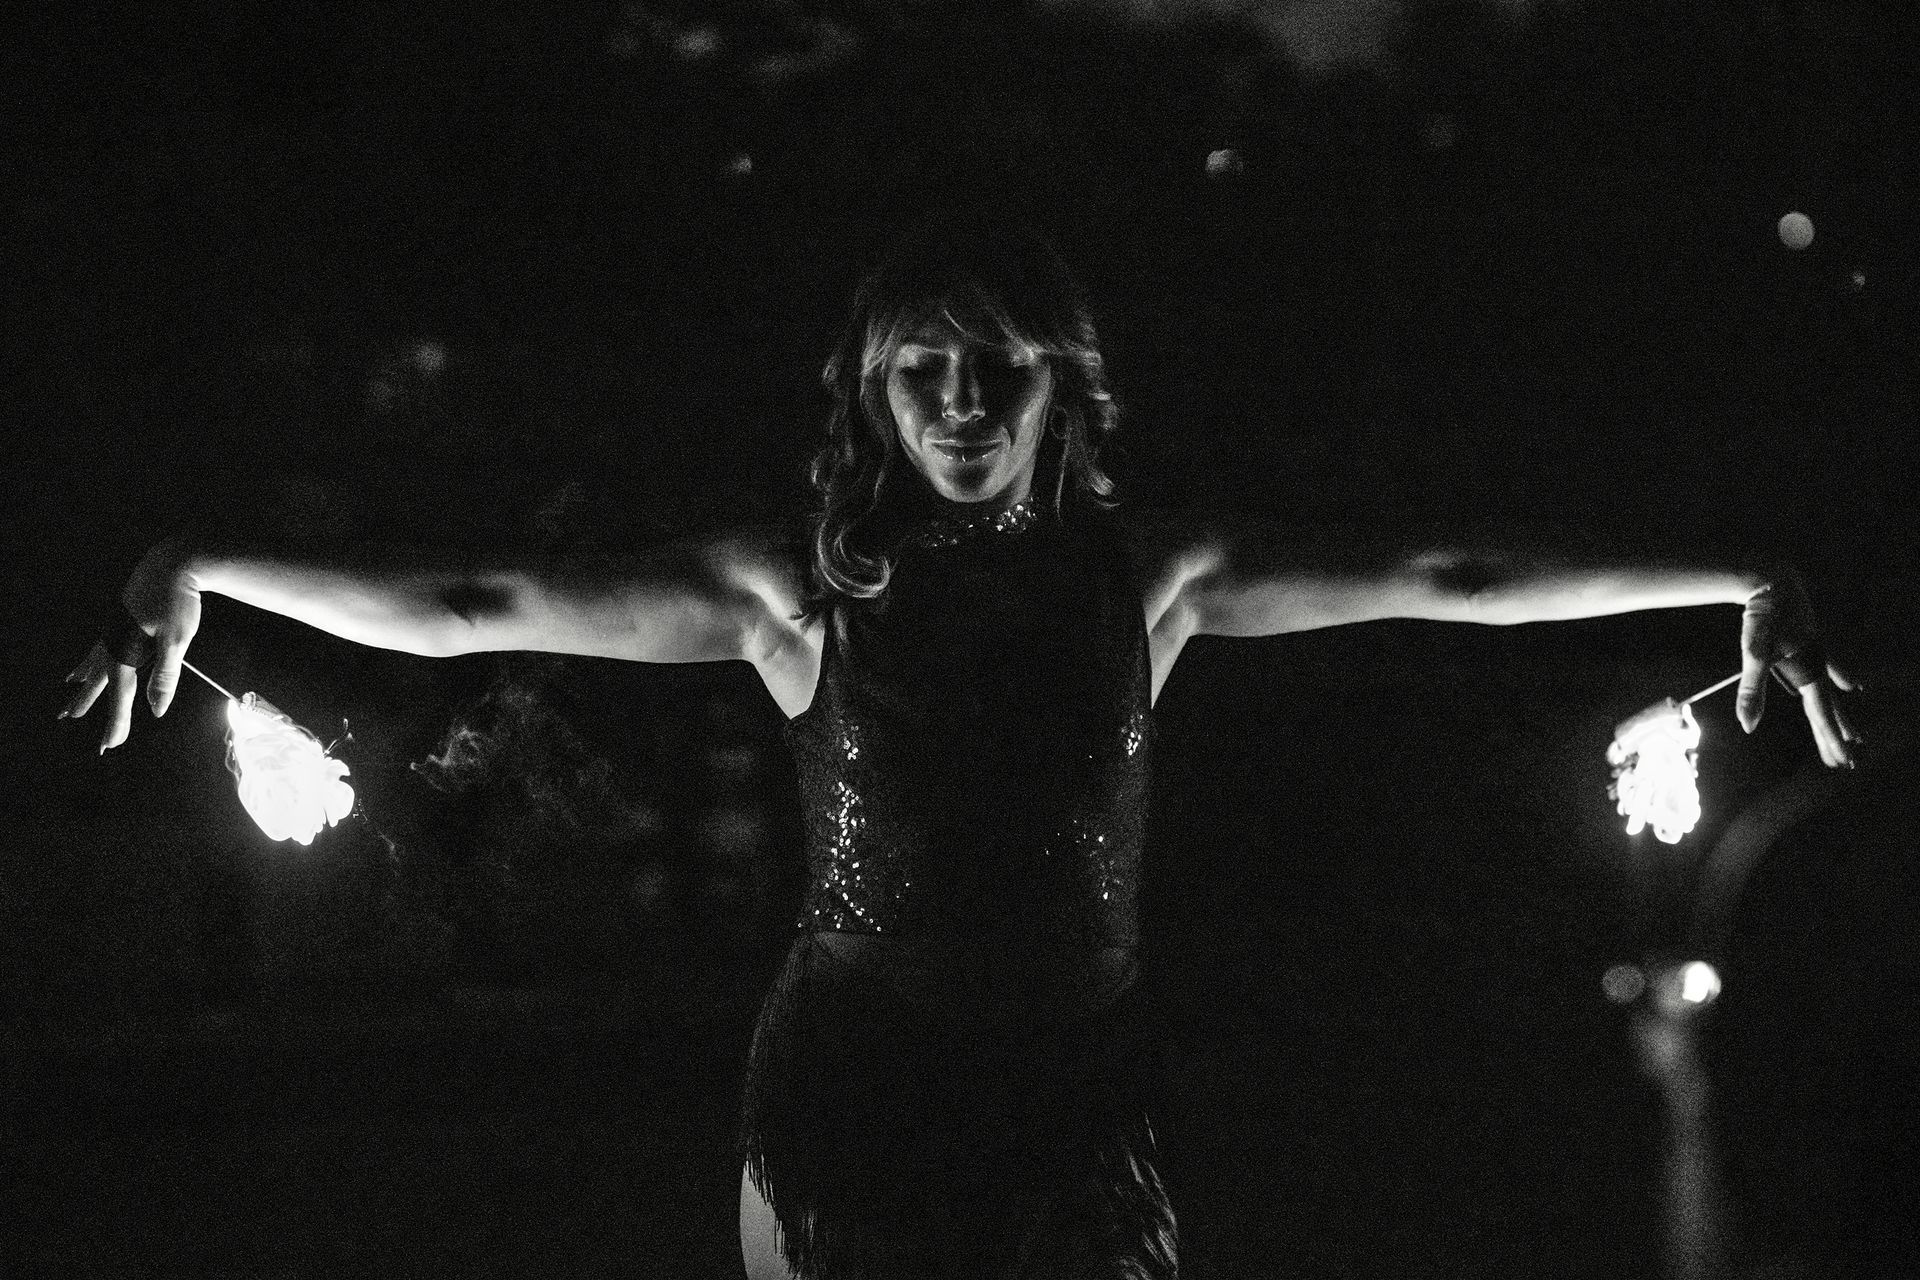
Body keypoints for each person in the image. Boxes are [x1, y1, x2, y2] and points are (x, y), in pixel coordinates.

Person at [61, 212, 1862, 1279]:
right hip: (849, 1099)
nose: (961, 402)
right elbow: (478, 600)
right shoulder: (804, 594)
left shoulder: (1144, 577)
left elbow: (1445, 570)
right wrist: (202, 567)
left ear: (1059, 384)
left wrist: (1734, 580)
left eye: (996, 363)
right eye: (922, 368)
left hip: (1083, 1095)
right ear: (872, 392)